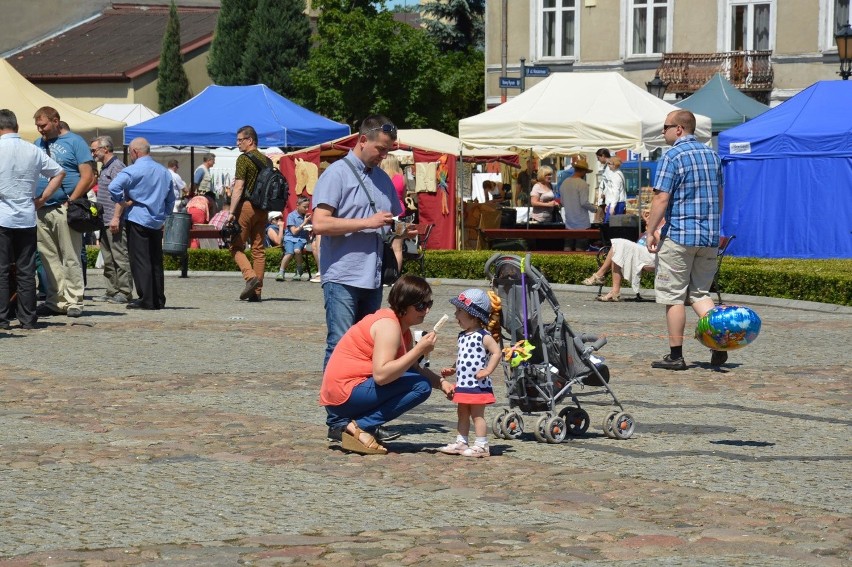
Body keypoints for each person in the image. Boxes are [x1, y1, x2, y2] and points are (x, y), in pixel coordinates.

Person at [311, 115, 409, 370]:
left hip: (373, 277)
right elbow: (320, 224)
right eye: (381, 149)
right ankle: (335, 405)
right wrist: (367, 223)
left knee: (367, 344)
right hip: (342, 276)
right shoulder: (336, 174)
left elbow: (391, 220)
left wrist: (402, 229)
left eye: (388, 151)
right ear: (363, 140)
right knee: (340, 342)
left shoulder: (383, 179)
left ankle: (357, 401)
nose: (384, 156)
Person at [320, 275, 454, 454]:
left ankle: (360, 426)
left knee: (417, 380)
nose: (426, 311)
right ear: (403, 304)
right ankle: (358, 427)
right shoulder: (389, 326)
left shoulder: (400, 328)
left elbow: (413, 367)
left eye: (429, 304)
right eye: (421, 306)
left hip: (343, 392)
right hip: (344, 393)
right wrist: (419, 350)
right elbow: (382, 376)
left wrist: (441, 383)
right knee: (420, 386)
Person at [645, 109, 726, 370]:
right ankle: (718, 343)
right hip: (709, 236)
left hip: (679, 235)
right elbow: (720, 196)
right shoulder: (712, 155)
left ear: (679, 129)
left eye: (666, 126)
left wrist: (650, 229)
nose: (663, 131)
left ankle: (676, 355)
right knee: (701, 293)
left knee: (674, 297)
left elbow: (661, 198)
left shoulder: (672, 156)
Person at [0, 109, 65, 330]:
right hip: (27, 216)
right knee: (26, 270)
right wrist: (42, 198)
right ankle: (27, 318)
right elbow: (59, 173)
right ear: (16, 127)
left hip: (2, 216)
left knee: (1, 270)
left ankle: (2, 318)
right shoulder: (33, 149)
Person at [33, 106, 94, 318]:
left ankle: (74, 299)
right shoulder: (37, 144)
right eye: (38, 126)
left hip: (64, 207)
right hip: (41, 208)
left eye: (43, 125)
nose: (40, 130)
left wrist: (72, 200)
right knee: (48, 257)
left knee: (71, 255)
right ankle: (55, 300)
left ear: (56, 120)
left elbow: (88, 176)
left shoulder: (75, 142)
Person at [108, 137, 175, 310]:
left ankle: (146, 299)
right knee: (155, 260)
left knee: (140, 260)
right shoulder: (164, 171)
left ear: (135, 152)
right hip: (156, 220)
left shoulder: (132, 170)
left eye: (130, 152)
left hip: (138, 217)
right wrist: (163, 215)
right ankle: (158, 298)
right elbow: (170, 199)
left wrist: (122, 202)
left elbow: (113, 187)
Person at [437, 289, 503, 458]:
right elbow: (463, 357)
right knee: (462, 413)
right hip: (464, 383)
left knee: (477, 415)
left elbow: (497, 352)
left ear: (473, 315)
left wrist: (488, 370)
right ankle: (461, 442)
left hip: (477, 385)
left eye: (460, 311)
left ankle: (482, 445)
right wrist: (453, 368)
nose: (455, 314)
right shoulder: (462, 336)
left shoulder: (484, 336)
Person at [582, 211, 665, 301]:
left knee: (618, 245)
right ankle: (612, 289)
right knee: (618, 249)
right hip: (646, 251)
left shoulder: (668, 224)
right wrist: (650, 225)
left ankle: (600, 276)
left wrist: (652, 227)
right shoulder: (659, 220)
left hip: (657, 256)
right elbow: (648, 238)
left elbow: (662, 244)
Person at [227, 126, 269, 303]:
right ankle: (256, 292)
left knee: (235, 246)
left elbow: (239, 187)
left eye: (240, 140)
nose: (237, 144)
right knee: (258, 250)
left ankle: (250, 277)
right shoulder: (267, 160)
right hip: (263, 209)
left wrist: (230, 212)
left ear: (250, 140)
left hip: (246, 207)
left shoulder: (243, 159)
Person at [89, 135, 132, 304]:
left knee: (120, 257)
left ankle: (125, 291)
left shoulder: (117, 167)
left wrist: (116, 217)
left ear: (105, 149)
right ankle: (112, 290)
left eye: (94, 150)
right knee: (108, 258)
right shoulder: (106, 167)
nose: (92, 154)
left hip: (114, 220)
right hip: (104, 219)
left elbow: (122, 195)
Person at [559, 157, 596, 251]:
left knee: (567, 248)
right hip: (581, 223)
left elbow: (562, 202)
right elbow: (584, 203)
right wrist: (595, 209)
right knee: (580, 249)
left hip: (569, 222)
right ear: (583, 171)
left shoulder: (564, 183)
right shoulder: (582, 184)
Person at [277, 196, 311, 282]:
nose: (306, 209)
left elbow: (310, 229)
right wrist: (304, 223)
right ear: (297, 205)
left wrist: (310, 227)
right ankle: (281, 272)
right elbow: (294, 232)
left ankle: (299, 271)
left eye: (308, 207)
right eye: (304, 207)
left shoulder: (306, 217)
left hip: (301, 239)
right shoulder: (291, 216)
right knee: (289, 253)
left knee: (297, 251)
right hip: (290, 238)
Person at [603, 157, 627, 222]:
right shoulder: (618, 173)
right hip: (616, 203)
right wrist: (608, 204)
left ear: (614, 165)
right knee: (613, 225)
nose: (608, 165)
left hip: (616, 204)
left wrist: (612, 206)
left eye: (609, 164)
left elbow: (616, 192)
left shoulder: (616, 176)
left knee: (611, 225)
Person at [593, 148, 612, 224]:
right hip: (604, 199)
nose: (598, 160)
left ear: (603, 156)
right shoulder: (606, 167)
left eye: (598, 158)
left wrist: (605, 193)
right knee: (599, 220)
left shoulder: (610, 167)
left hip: (606, 199)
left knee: (598, 221)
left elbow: (609, 182)